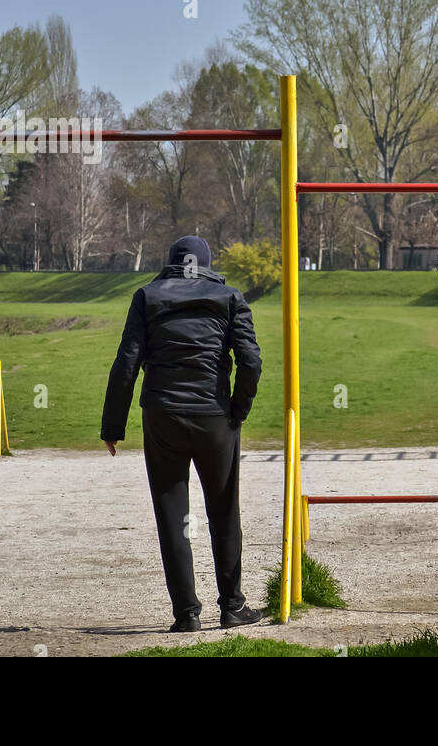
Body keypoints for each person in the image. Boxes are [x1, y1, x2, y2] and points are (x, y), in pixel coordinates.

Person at [100, 236, 263, 632]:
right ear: (206, 263)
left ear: (170, 262)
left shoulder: (147, 296)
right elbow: (251, 362)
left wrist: (112, 426)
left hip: (163, 415)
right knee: (224, 509)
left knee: (173, 516)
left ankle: (186, 614)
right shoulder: (229, 297)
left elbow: (127, 361)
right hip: (213, 415)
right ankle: (232, 606)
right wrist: (236, 411)